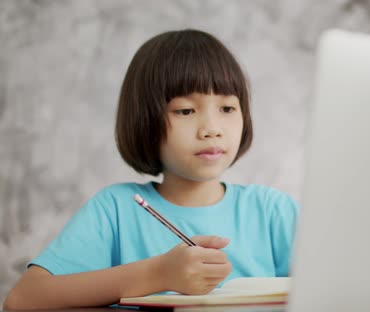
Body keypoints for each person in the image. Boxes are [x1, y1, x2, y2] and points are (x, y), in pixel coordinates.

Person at [3, 29, 299, 310]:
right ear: (146, 121)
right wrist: (158, 274)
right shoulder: (115, 209)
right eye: (186, 111)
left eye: (227, 109)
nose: (212, 130)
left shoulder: (273, 211)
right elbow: (23, 299)